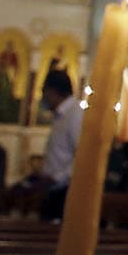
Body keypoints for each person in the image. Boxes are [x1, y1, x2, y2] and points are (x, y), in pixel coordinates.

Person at [39, 68, 83, 220]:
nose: (42, 97)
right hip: (53, 189)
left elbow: (82, 156)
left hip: (65, 191)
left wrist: (57, 177)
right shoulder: (61, 115)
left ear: (52, 91)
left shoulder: (75, 114)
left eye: (43, 91)